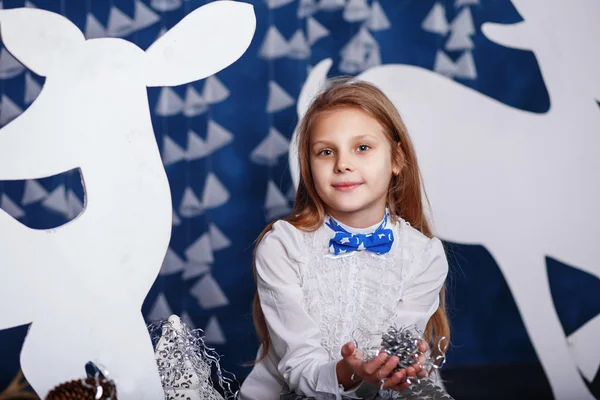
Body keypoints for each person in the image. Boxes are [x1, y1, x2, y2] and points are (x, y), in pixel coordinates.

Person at [239, 78, 450, 400]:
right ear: (308, 168)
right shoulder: (284, 246)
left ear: (396, 159)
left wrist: (394, 368)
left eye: (362, 147)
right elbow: (299, 366)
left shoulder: (424, 256)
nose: (343, 164)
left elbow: (398, 355)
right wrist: (350, 370)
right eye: (325, 152)